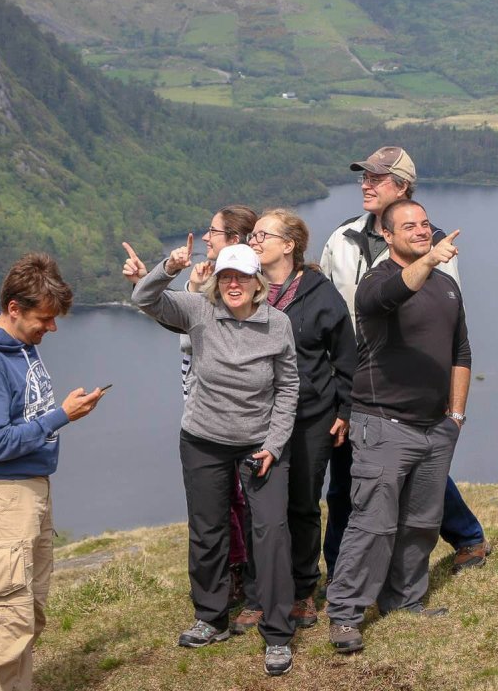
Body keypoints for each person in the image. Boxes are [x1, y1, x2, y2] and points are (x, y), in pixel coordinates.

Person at [318, 145, 490, 579]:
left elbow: (448, 320)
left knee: (412, 467)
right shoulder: (342, 237)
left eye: (375, 178)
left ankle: (465, 536)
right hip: (349, 374)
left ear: (402, 187)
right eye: (364, 177)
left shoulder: (434, 244)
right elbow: (323, 300)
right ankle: (342, 571)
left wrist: (454, 409)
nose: (365, 184)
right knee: (345, 479)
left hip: (403, 377)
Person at [131, 240, 300, 676]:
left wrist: (275, 444)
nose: (233, 284)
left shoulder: (277, 324)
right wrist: (169, 266)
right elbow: (144, 298)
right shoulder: (198, 311)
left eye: (242, 276)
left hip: (260, 444)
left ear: (257, 282)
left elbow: (287, 387)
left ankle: (278, 633)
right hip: (203, 439)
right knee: (208, 530)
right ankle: (211, 618)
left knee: (271, 532)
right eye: (226, 276)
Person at [325, 199, 472, 655]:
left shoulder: (447, 286)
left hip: (435, 427)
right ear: (387, 236)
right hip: (383, 424)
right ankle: (346, 613)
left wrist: (456, 416)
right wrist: (429, 258)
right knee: (373, 525)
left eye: (425, 224)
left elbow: (461, 353)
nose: (421, 231)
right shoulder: (377, 280)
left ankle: (404, 599)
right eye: (409, 226)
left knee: (422, 523)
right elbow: (390, 297)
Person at [0, 253, 106, 691]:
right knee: (5, 618)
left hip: (30, 491)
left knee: (28, 611)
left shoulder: (22, 345)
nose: (52, 328)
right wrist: (61, 417)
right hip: (5, 498)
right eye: (45, 318)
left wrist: (59, 414)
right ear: (14, 309)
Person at [123, 205, 257, 608]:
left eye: (212, 232)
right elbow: (177, 321)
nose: (204, 238)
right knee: (224, 501)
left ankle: (243, 575)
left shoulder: (239, 292)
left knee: (237, 500)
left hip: (232, 415)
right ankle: (233, 578)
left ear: (234, 240)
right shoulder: (211, 285)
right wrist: (157, 278)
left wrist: (180, 288)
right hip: (200, 409)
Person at [246, 208, 357, 631]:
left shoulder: (319, 292)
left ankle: (303, 590)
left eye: (262, 236)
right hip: (256, 417)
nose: (253, 242)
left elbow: (345, 356)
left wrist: (344, 410)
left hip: (311, 417)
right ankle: (259, 593)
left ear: (289, 245)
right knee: (262, 507)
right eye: (253, 236)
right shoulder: (245, 288)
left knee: (303, 505)